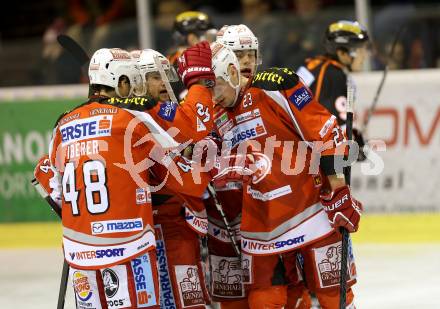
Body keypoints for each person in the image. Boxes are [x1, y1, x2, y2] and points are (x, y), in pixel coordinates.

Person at [33, 47, 220, 308]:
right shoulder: (131, 114)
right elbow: (194, 128)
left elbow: (53, 188)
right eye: (131, 81)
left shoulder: (63, 124)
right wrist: (199, 83)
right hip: (128, 247)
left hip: (80, 253)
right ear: (121, 82)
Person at [209, 42, 363, 308]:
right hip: (262, 225)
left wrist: (338, 190)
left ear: (233, 74)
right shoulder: (215, 115)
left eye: (216, 86)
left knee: (333, 295)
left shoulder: (274, 86)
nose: (213, 96)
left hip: (312, 212)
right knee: (265, 299)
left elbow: (323, 131)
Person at [202, 24, 261, 309]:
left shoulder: (265, 93)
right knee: (230, 296)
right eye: (240, 54)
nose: (247, 61)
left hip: (260, 213)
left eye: (251, 54)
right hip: (222, 217)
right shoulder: (210, 105)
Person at [296, 20, 370, 160]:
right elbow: (335, 130)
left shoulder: (313, 65)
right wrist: (357, 146)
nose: (364, 56)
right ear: (342, 53)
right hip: (306, 160)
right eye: (360, 50)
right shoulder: (336, 77)